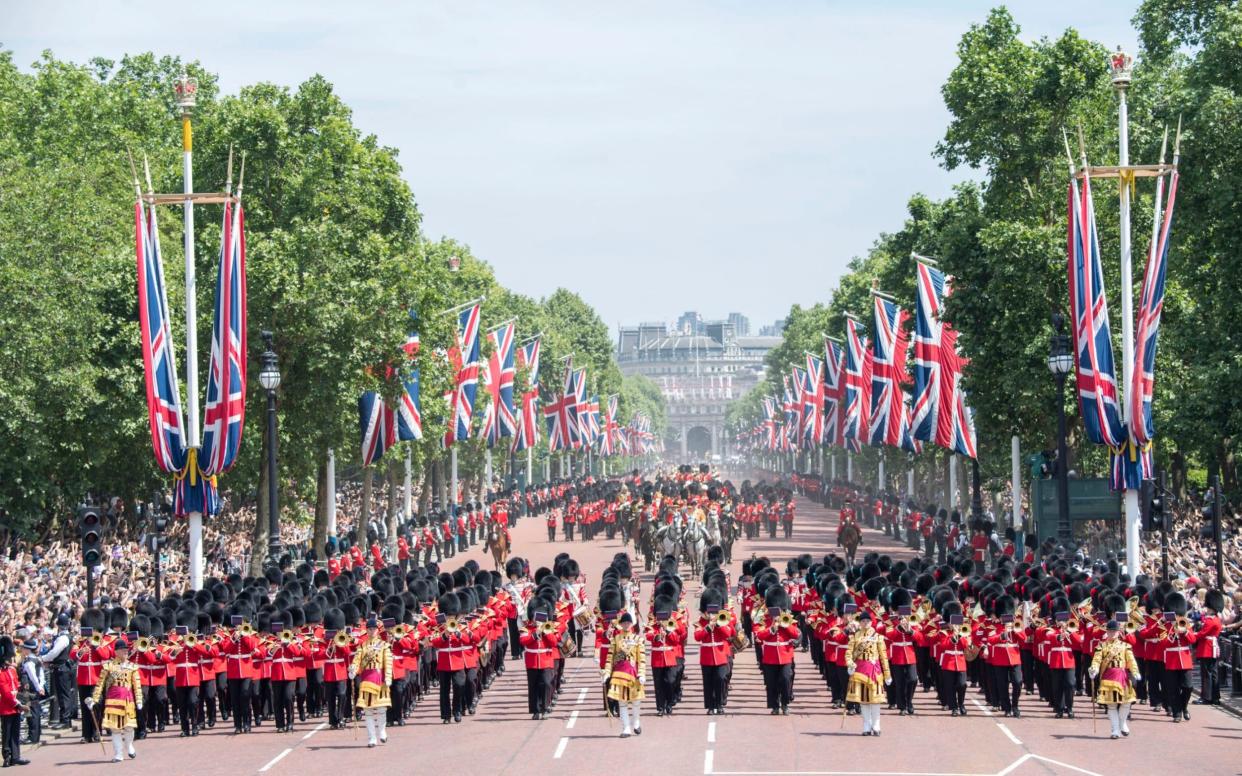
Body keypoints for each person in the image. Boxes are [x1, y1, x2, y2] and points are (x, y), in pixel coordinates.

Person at [89, 638, 142, 763]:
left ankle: (129, 745)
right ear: (116, 651)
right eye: (123, 650)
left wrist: (139, 700)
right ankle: (118, 754)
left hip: (128, 700)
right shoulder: (108, 666)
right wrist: (94, 699)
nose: (125, 652)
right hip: (113, 701)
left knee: (129, 727)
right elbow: (100, 684)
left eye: (126, 650)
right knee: (115, 729)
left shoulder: (132, 667)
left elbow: (137, 685)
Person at [1088, 620, 1141, 739]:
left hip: (1122, 676)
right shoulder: (1101, 646)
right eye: (1110, 631)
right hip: (1108, 677)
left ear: (1119, 632)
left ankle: (1122, 723)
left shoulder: (1125, 646)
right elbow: (1096, 660)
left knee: (1126, 703)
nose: (1112, 633)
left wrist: (1135, 671)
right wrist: (1094, 669)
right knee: (1111, 705)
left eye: (1114, 631)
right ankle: (1115, 729)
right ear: (1107, 632)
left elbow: (1131, 660)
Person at [845, 611, 891, 736]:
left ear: (871, 622)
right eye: (863, 621)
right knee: (864, 700)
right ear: (860, 623)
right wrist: (850, 664)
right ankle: (866, 725)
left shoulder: (878, 637)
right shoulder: (855, 636)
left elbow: (883, 657)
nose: (865, 623)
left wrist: (887, 674)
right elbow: (849, 654)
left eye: (867, 621)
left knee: (875, 700)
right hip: (860, 671)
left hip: (874, 671)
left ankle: (876, 725)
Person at [350, 615, 392, 747]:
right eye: (369, 629)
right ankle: (372, 737)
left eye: (374, 629)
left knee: (381, 709)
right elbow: (357, 661)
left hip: (379, 677)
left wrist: (388, 677)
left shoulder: (384, 645)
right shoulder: (362, 646)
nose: (371, 631)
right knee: (368, 711)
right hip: (366, 679)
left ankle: (382, 731)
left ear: (377, 630)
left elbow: (388, 662)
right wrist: (353, 669)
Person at [605, 611, 645, 738]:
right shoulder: (616, 639)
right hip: (619, 674)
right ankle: (626, 728)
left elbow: (641, 658)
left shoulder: (638, 639)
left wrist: (642, 673)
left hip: (633, 673)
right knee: (622, 702)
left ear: (631, 624)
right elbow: (610, 657)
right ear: (621, 624)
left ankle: (636, 722)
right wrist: (606, 672)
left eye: (628, 623)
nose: (626, 625)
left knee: (635, 701)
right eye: (624, 623)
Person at [39, 614, 72, 731]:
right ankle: (64, 719)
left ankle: (65, 720)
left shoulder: (63, 638)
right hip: (61, 667)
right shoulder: (62, 636)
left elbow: (54, 653)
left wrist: (43, 658)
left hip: (62, 668)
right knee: (62, 694)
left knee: (63, 695)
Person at [0, 636, 29, 767]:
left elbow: (16, 687)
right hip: (6, 706)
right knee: (7, 732)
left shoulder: (11, 670)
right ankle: (7, 756)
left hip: (16, 705)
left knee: (15, 732)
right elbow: (5, 692)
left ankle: (15, 756)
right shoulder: (1, 673)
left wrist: (23, 699)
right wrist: (18, 704)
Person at [16, 640, 44, 746]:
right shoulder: (36, 659)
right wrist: (41, 686)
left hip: (30, 690)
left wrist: (38, 687)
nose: (22, 650)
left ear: (27, 649)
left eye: (23, 648)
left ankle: (32, 737)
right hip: (34, 689)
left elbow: (32, 676)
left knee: (31, 713)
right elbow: (41, 675)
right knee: (35, 712)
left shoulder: (28, 662)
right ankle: (35, 735)